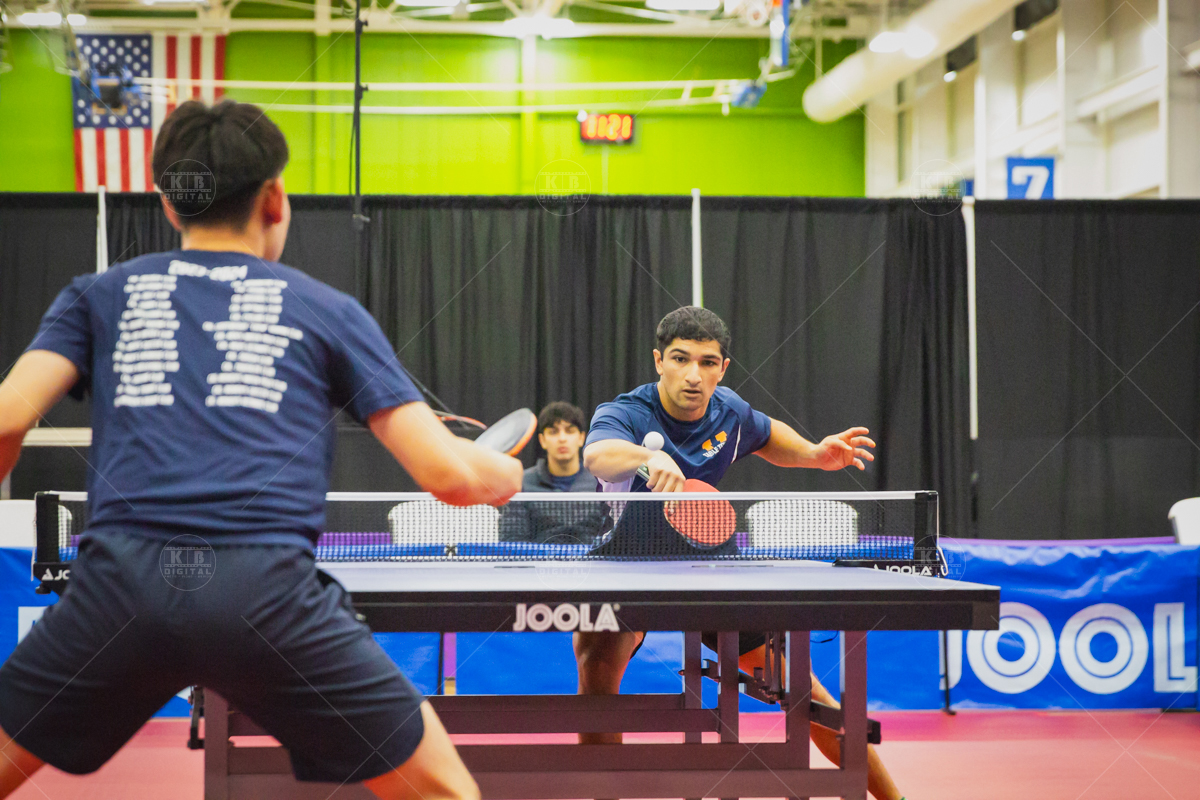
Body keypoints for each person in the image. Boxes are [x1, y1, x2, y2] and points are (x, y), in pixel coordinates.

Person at [0, 100, 523, 800]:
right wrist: (507, 471)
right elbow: (452, 477)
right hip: (266, 599)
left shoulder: (97, 295)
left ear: (168, 202)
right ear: (275, 198)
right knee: (445, 793)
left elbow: (5, 421)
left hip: (118, 591)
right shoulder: (328, 310)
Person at [579, 306, 905, 800]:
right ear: (659, 361)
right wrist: (647, 456)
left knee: (802, 690)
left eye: (707, 362)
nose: (693, 375)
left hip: (711, 567)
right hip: (626, 564)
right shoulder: (625, 413)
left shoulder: (728, 410)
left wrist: (814, 454)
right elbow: (597, 455)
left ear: (723, 368)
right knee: (596, 667)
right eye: (680, 359)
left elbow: (768, 435)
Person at [499, 402, 606, 543]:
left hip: (592, 557)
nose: (562, 438)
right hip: (537, 557)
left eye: (569, 431)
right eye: (553, 432)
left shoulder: (601, 482)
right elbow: (512, 541)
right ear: (542, 440)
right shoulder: (521, 484)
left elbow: (612, 540)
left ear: (581, 438)